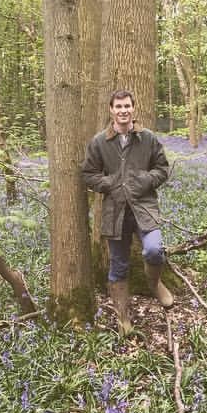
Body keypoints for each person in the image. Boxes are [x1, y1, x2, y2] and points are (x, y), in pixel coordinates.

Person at [82, 90, 174, 334]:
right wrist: (110, 184)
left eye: (127, 106)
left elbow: (162, 169)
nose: (123, 111)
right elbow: (88, 175)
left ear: (134, 109)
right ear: (111, 110)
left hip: (144, 207)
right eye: (118, 107)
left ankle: (154, 284)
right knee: (118, 266)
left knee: (154, 250)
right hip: (115, 211)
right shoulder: (100, 141)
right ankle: (123, 319)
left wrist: (143, 180)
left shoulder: (147, 138)